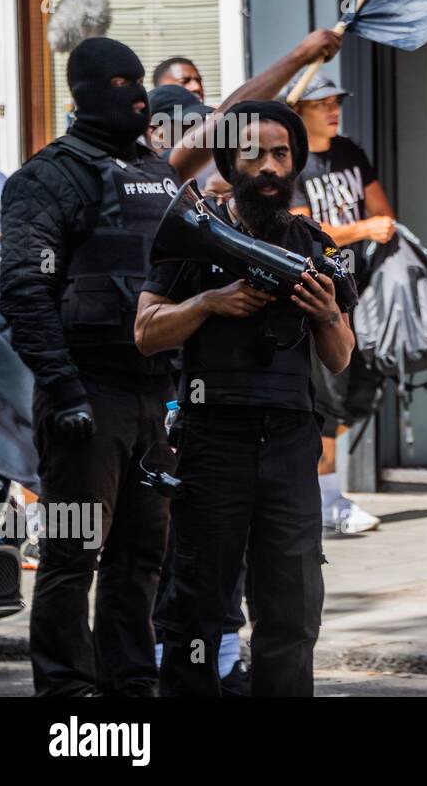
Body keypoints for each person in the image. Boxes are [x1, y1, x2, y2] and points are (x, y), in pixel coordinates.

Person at [0, 30, 340, 696]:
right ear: (85, 94)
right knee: (73, 557)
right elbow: (21, 289)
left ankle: (130, 689)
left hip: (153, 395)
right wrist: (62, 388)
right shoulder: (49, 175)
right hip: (87, 395)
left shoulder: (156, 170)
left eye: (139, 87)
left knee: (140, 559)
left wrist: (298, 57)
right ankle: (69, 698)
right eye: (119, 87)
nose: (135, 99)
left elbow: (229, 118)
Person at [136, 100, 357, 697]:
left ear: (295, 164)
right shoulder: (194, 230)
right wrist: (209, 303)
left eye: (280, 154)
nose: (268, 166)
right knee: (195, 609)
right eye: (253, 153)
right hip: (213, 441)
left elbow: (340, 357)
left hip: (289, 445)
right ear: (231, 161)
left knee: (292, 607)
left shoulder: (316, 245)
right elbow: (145, 331)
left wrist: (328, 313)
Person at [285, 71, 393, 535]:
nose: (333, 110)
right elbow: (302, 227)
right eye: (322, 103)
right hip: (321, 294)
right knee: (327, 396)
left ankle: (314, 482)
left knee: (365, 391)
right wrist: (361, 229)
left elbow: (383, 212)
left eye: (336, 102)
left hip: (366, 290)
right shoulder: (291, 161)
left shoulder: (350, 152)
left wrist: (370, 227)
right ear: (300, 111)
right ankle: (328, 500)